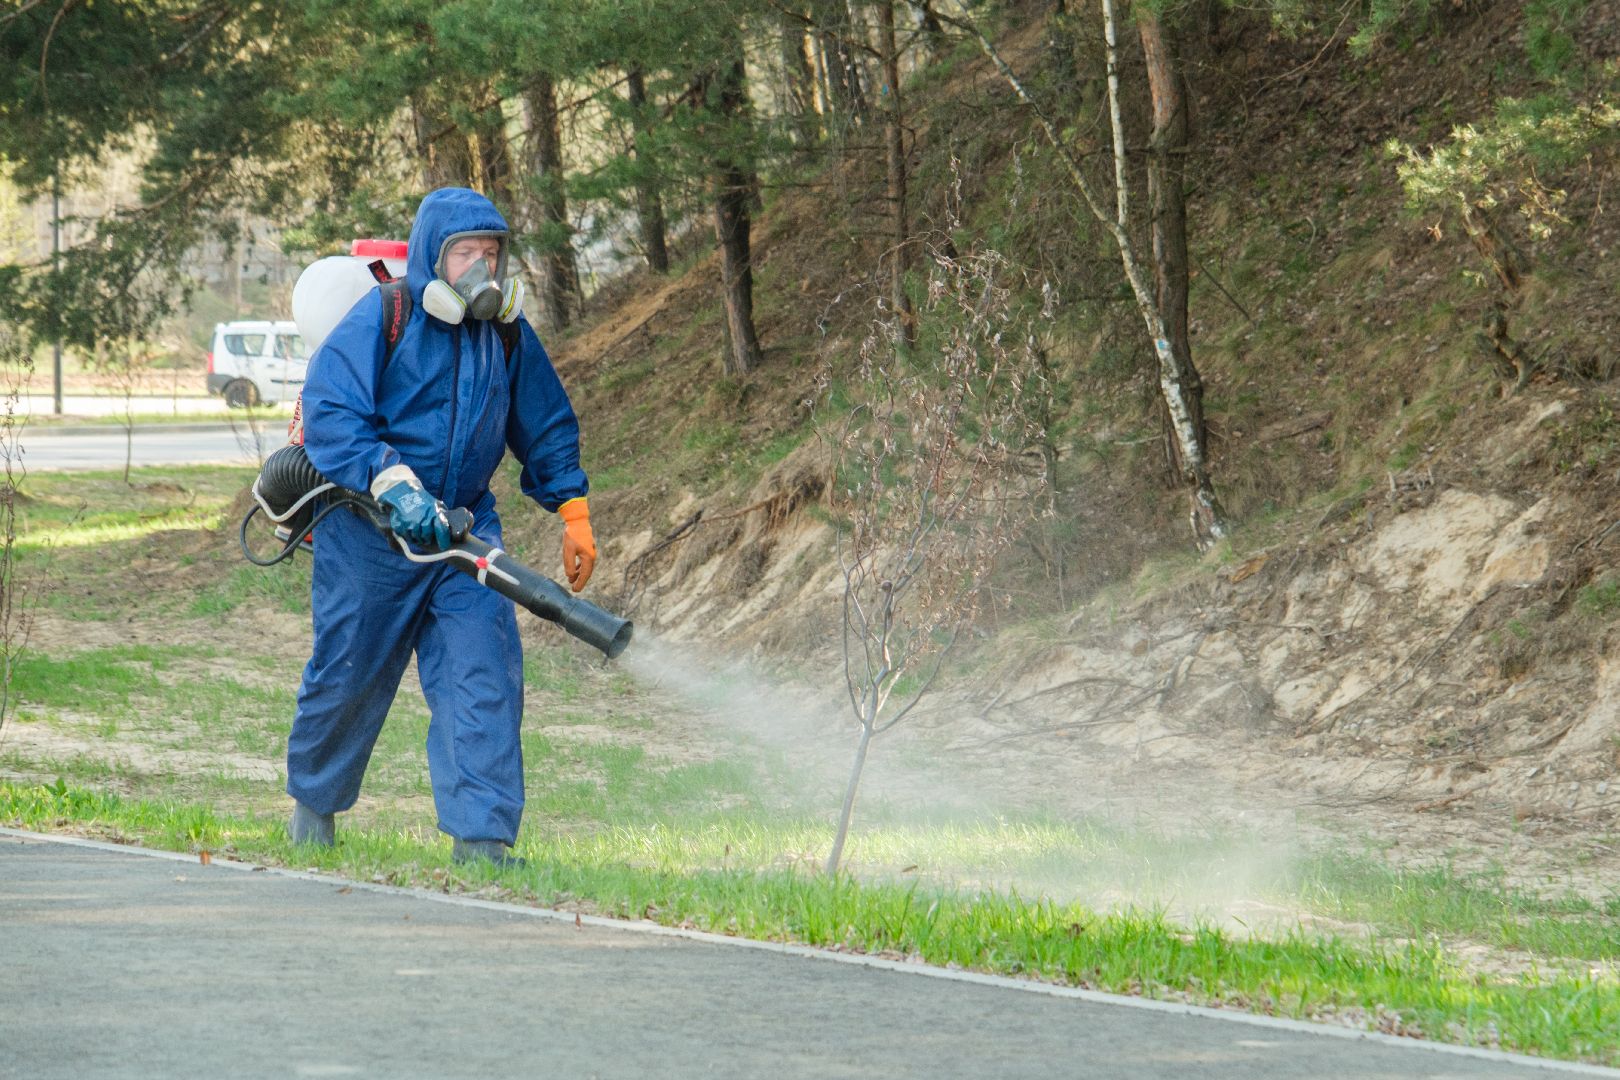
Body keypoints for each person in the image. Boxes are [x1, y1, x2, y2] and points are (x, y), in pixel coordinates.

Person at [284, 187, 595, 866]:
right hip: (369, 532)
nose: (481, 267)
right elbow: (331, 409)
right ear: (433, 255)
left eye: (492, 252)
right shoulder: (386, 315)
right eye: (465, 253)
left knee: (481, 674)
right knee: (348, 675)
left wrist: (572, 508)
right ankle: (313, 813)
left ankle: (481, 842)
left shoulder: (505, 333)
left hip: (462, 530)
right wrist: (388, 479)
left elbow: (544, 420)